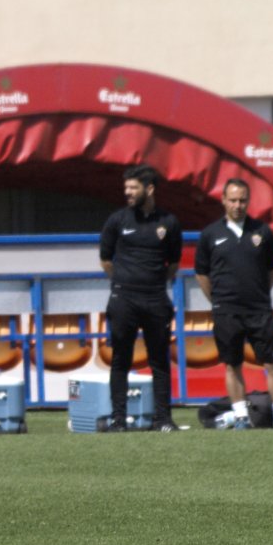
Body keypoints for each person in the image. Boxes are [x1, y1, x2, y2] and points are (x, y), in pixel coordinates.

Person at [194, 178, 273, 430]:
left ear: (248, 201)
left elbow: (272, 271)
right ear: (223, 200)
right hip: (226, 311)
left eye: (242, 200)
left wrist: (257, 293)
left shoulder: (262, 232)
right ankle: (241, 417)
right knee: (233, 364)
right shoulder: (210, 234)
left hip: (259, 310)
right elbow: (202, 274)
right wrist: (219, 300)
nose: (237, 205)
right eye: (233, 200)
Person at [99, 165, 182, 433]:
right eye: (126, 188)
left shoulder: (168, 222)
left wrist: (153, 284)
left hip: (156, 299)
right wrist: (125, 282)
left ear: (149, 189)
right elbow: (105, 260)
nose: (128, 193)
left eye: (133, 188)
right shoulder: (117, 220)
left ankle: (163, 420)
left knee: (159, 359)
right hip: (124, 298)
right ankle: (119, 420)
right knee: (120, 359)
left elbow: (174, 263)